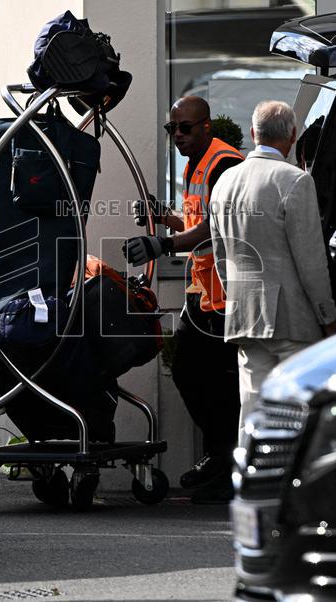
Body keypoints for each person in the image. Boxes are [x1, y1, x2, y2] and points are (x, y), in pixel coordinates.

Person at [124, 96, 243, 504]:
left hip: (225, 298)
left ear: (206, 126)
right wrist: (163, 218)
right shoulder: (196, 163)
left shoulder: (224, 164)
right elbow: (194, 222)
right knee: (194, 376)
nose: (177, 135)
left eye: (185, 128)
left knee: (215, 384)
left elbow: (214, 227)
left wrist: (163, 244)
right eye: (171, 128)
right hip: (204, 295)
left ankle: (226, 466)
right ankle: (220, 461)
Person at [208, 101, 336, 438]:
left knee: (252, 415)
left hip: (245, 316)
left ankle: (250, 469)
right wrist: (328, 318)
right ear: (293, 136)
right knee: (296, 419)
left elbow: (221, 257)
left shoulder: (224, 182)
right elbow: (311, 262)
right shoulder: (295, 181)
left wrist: (237, 299)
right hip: (293, 319)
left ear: (253, 133)